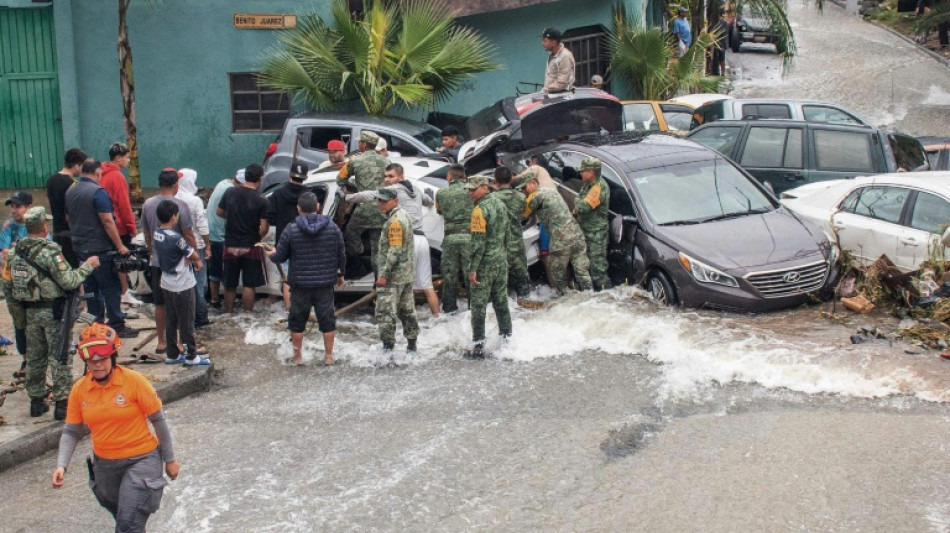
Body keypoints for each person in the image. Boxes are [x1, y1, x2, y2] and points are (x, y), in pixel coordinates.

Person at [52, 323, 180, 533]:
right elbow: (71, 431)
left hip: (142, 460)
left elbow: (158, 420)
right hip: (105, 467)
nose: (97, 365)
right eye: (91, 362)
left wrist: (170, 460)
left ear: (112, 357)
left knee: (127, 525)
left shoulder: (134, 381)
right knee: (125, 519)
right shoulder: (79, 390)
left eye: (102, 360)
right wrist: (61, 465)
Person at [8, 207, 98, 418]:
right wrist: (87, 267)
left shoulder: (15, 254)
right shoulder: (51, 252)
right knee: (60, 356)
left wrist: (18, 316)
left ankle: (37, 402)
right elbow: (69, 280)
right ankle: (61, 404)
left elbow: (8, 286)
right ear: (44, 227)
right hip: (54, 313)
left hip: (29, 313)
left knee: (35, 358)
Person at [345, 163, 439, 317]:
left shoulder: (393, 190)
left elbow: (368, 195)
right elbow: (428, 201)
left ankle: (398, 323)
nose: (387, 179)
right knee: (427, 285)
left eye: (391, 176)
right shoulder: (415, 189)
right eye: (385, 176)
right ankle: (438, 319)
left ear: (401, 177)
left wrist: (347, 197)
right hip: (422, 240)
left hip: (408, 240)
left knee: (399, 285)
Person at [268, 192, 346, 366]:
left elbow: (280, 256)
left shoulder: (291, 228)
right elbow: (341, 253)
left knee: (297, 320)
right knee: (327, 319)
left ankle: (297, 357)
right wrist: (340, 275)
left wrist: (271, 254)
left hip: (300, 284)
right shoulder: (332, 227)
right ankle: (328, 357)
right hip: (325, 283)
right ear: (318, 207)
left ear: (298, 209)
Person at [65, 158, 138, 337]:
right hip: (100, 248)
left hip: (80, 247)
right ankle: (116, 323)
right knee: (110, 287)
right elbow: (107, 221)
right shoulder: (98, 192)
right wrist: (120, 245)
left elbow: (69, 218)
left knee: (90, 288)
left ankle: (96, 324)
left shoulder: (71, 191)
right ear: (98, 173)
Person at [141, 169, 199, 354]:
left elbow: (147, 233)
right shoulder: (180, 205)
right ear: (176, 185)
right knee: (182, 306)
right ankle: (182, 343)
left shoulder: (148, 204)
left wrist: (152, 251)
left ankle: (162, 342)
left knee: (160, 303)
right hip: (177, 264)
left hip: (157, 261)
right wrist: (194, 256)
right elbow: (188, 233)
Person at [153, 200, 210, 366]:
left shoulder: (157, 233)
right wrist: (196, 260)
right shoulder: (175, 238)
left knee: (171, 319)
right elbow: (191, 253)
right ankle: (192, 355)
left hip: (166, 282)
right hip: (182, 284)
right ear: (173, 217)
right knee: (186, 321)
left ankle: (172, 354)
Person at [516, 172, 593, 293]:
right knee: (582, 271)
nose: (523, 191)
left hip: (561, 240)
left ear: (533, 183)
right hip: (577, 236)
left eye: (524, 188)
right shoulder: (551, 191)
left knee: (557, 274)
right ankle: (590, 295)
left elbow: (521, 215)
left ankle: (566, 298)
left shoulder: (536, 196)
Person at [466, 176, 511, 359]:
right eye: (468, 189)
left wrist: (473, 269)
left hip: (485, 263)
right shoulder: (500, 204)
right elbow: (507, 233)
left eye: (473, 189)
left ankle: (478, 346)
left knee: (478, 305)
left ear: (485, 188)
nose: (470, 193)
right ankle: (507, 340)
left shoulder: (479, 209)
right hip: (500, 259)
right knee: (501, 302)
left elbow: (478, 242)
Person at [217, 164, 269, 313]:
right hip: (251, 245)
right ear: (260, 179)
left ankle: (228, 312)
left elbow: (219, 211)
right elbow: (264, 228)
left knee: (230, 283)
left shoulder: (230, 193)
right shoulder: (262, 200)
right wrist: (256, 236)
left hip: (230, 245)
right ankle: (247, 315)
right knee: (249, 284)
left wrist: (231, 219)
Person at [337, 130, 389, 274]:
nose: (358, 143)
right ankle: (378, 281)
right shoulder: (386, 161)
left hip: (363, 209)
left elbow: (340, 180)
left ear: (364, 145)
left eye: (360, 141)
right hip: (382, 210)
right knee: (377, 248)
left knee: (350, 232)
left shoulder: (355, 161)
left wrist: (356, 186)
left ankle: (358, 253)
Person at [373, 188, 418, 353]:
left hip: (393, 276)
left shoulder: (395, 222)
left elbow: (395, 249)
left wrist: (384, 274)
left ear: (395, 201)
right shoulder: (403, 215)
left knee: (385, 313)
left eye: (384, 201)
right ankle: (412, 347)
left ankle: (387, 351)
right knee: (407, 311)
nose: (380, 204)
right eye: (379, 200)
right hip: (405, 274)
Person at [99, 142, 141, 307]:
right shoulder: (116, 176)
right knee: (122, 261)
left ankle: (120, 291)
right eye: (127, 157)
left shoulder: (101, 174)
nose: (129, 160)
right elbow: (124, 204)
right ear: (118, 158)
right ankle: (124, 292)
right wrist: (132, 227)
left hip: (105, 224)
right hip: (119, 225)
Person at [266, 162, 308, 310]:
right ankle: (303, 310)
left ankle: (290, 311)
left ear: (289, 175)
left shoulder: (278, 193)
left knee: (287, 279)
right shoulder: (309, 194)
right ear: (306, 177)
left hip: (284, 241)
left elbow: (270, 217)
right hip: (305, 241)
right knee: (304, 278)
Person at [176, 169, 212, 328]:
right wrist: (208, 245)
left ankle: (184, 317)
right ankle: (201, 317)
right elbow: (202, 227)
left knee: (182, 282)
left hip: (177, 247)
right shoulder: (194, 200)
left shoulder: (172, 198)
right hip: (196, 246)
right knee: (199, 283)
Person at [435, 164, 473, 314]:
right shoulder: (471, 191)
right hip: (470, 238)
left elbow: (439, 211)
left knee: (449, 275)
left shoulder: (441, 193)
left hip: (450, 238)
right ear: (464, 176)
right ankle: (474, 308)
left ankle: (449, 310)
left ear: (449, 177)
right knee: (471, 274)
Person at [0, 191, 32, 368]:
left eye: (17, 206)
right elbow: (4, 252)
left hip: (34, 283)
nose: (13, 210)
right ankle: (25, 359)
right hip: (14, 281)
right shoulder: (8, 226)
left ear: (28, 207)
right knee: (19, 321)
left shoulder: (35, 224)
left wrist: (14, 248)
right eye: (12, 206)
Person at [491, 167, 530, 299]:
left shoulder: (492, 199)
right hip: (518, 244)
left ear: (495, 180)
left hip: (501, 246)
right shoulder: (520, 197)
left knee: (501, 283)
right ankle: (527, 306)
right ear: (510, 179)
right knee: (522, 281)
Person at [573, 158, 611, 291]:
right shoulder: (588, 184)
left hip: (596, 236)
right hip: (586, 232)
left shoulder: (598, 187)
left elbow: (583, 206)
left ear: (590, 172)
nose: (580, 173)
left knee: (598, 270)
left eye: (583, 171)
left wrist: (576, 202)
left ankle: (606, 296)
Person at [206, 168, 241, 308]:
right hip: (219, 235)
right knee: (219, 270)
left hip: (213, 231)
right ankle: (216, 301)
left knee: (216, 268)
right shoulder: (231, 191)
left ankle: (215, 299)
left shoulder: (224, 183)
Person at [47, 148, 87, 268]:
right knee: (74, 270)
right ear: (76, 166)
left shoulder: (51, 181)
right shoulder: (73, 184)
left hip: (56, 231)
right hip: (70, 233)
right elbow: (71, 214)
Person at [541, 27, 575, 93]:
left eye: (545, 41)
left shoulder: (564, 56)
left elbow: (562, 83)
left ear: (553, 43)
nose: (542, 43)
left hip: (561, 95)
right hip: (553, 94)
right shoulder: (553, 54)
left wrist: (544, 91)